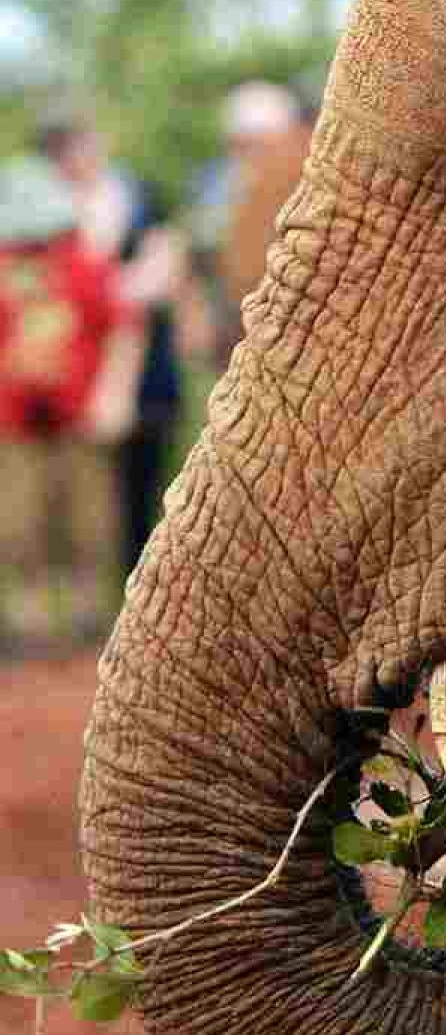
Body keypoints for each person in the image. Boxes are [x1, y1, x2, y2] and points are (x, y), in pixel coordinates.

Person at [37, 107, 185, 582]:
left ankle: (144, 585)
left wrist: (103, 292)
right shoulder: (45, 214)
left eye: (75, 144)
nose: (71, 159)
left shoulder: (139, 198)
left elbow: (161, 274)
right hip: (77, 371)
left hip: (147, 368)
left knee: (144, 483)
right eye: (58, 150)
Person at [0, 153, 133, 645]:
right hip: (13, 423)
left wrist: (113, 393)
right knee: (17, 525)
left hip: (81, 418)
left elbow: (121, 328)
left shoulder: (83, 264)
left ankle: (88, 624)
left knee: (90, 523)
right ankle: (25, 627)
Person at [189, 80, 310, 369]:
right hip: (234, 332)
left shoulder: (306, 184)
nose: (250, 156)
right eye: (242, 145)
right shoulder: (215, 185)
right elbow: (197, 253)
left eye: (260, 145)